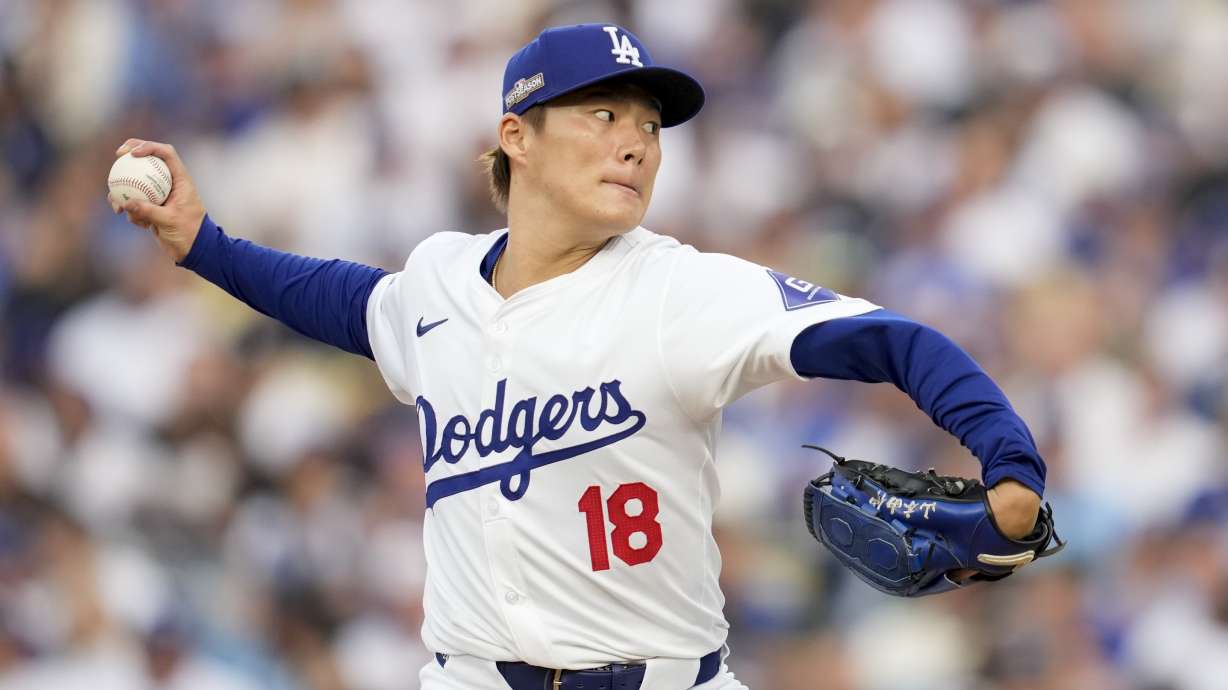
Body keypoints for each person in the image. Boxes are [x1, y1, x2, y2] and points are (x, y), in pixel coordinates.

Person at [111, 23, 1046, 690]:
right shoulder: (440, 281)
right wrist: (205, 243)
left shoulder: (682, 291)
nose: (637, 143)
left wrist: (1010, 462)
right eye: (603, 116)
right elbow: (348, 303)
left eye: (648, 126)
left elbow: (896, 340)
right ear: (516, 136)